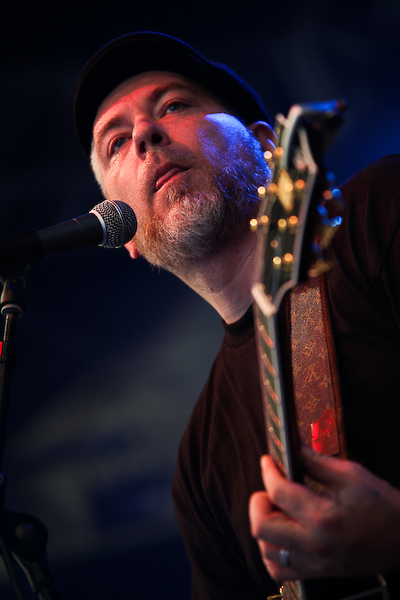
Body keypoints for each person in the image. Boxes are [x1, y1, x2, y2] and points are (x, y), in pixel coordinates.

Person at [73, 31, 400, 599]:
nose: (145, 134)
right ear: (124, 235)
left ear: (265, 145)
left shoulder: (379, 212)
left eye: (174, 105)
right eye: (116, 143)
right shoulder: (200, 464)